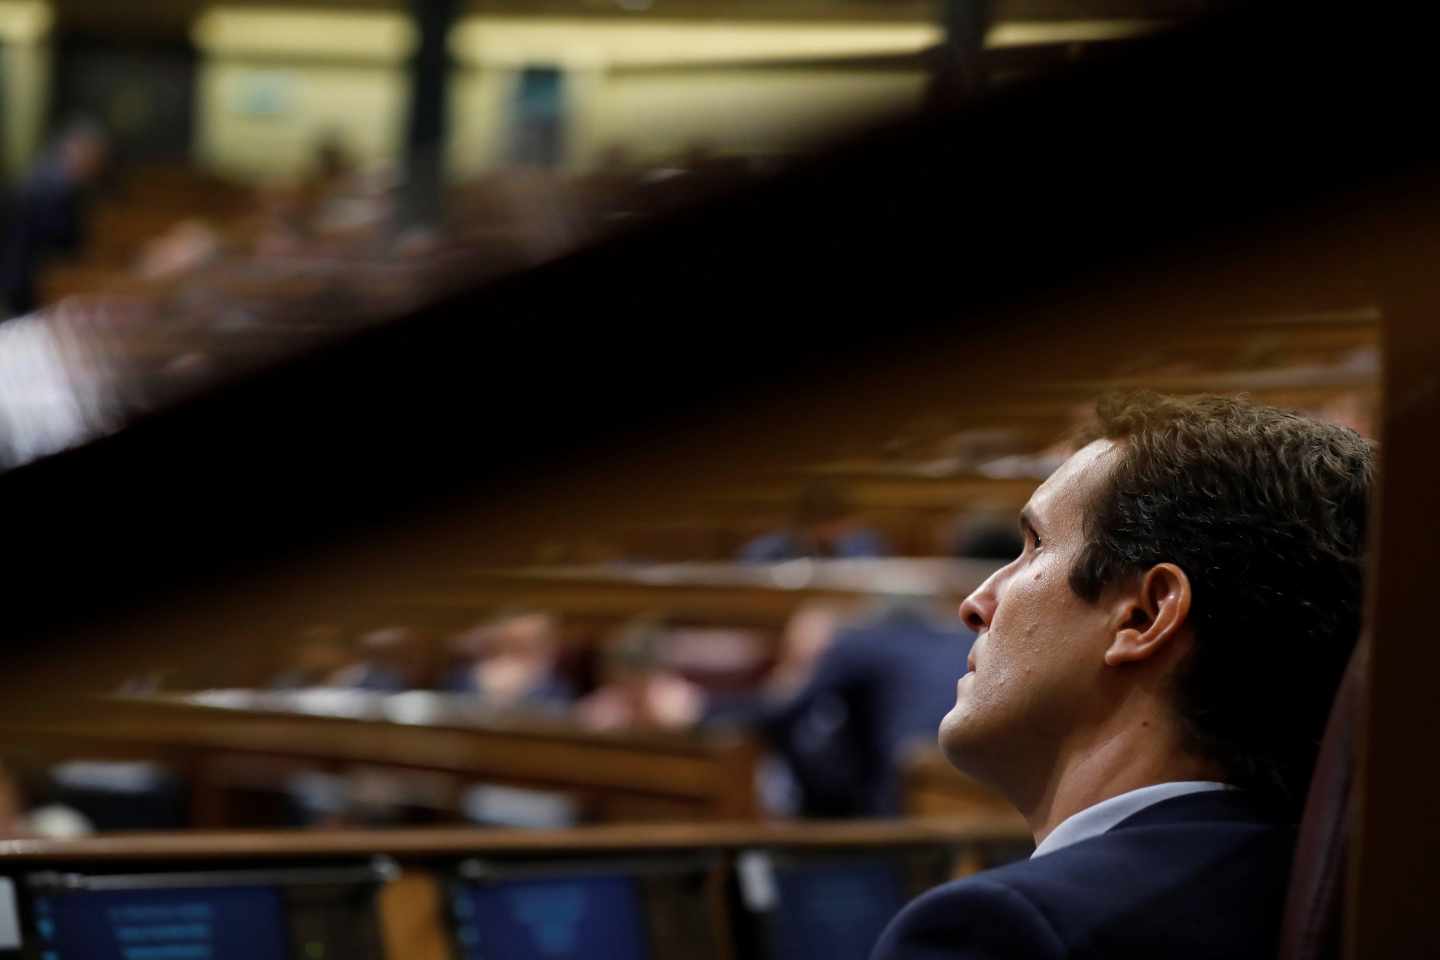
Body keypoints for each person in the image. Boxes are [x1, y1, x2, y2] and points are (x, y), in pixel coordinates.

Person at [873, 393, 1374, 960]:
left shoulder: (999, 931)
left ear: (1142, 615)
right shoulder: (1346, 897)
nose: (975, 602)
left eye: (1036, 545)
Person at [1, 120, 109, 318]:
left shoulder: (51, 179)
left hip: (29, 276)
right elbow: (59, 242)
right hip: (31, 279)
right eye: (92, 155)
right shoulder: (52, 189)